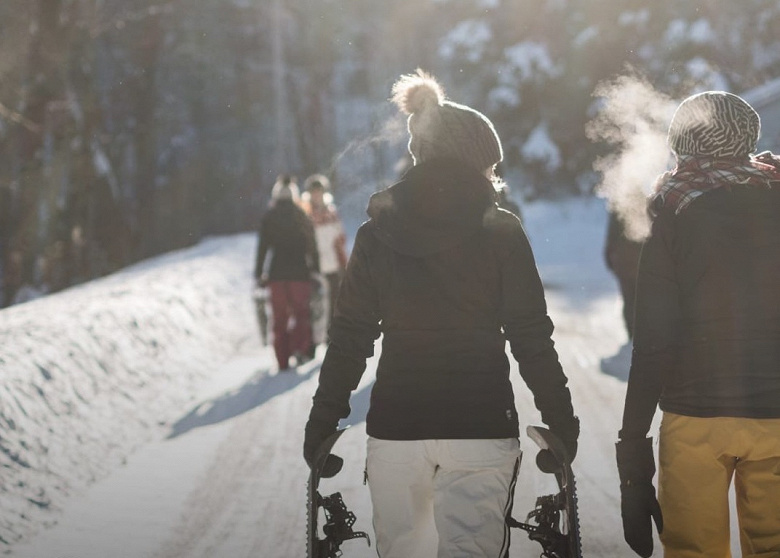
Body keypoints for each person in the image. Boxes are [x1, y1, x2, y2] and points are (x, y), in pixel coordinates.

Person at [303, 69, 579, 558]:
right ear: (473, 160)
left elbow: (351, 335)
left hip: (397, 428)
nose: (493, 175)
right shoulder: (502, 231)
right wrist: (560, 418)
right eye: (490, 164)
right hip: (481, 425)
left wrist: (323, 420)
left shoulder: (377, 232)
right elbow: (530, 335)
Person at [616, 91, 780, 558]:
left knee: (694, 551)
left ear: (682, 144)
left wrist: (632, 448)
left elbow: (653, 341)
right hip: (777, 416)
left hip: (696, 418)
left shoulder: (674, 212)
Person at [254, 174, 320, 370]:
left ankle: (282, 359)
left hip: (276, 275)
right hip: (300, 274)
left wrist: (259, 273)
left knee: (279, 318)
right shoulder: (301, 215)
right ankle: (299, 349)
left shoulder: (269, 217)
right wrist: (315, 270)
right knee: (301, 314)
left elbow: (262, 248)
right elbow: (312, 245)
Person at [301, 173, 348, 339]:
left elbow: (341, 239)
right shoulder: (305, 214)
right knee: (315, 305)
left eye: (319, 191)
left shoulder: (332, 212)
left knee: (334, 303)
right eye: (313, 192)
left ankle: (331, 336)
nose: (317, 195)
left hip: (333, 265)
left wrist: (343, 263)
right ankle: (313, 340)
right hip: (314, 267)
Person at [604, 209, 643, 339]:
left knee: (629, 298)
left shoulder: (619, 206)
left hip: (624, 260)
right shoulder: (648, 203)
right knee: (640, 298)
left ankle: (632, 332)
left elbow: (612, 235)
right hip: (639, 260)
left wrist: (609, 258)